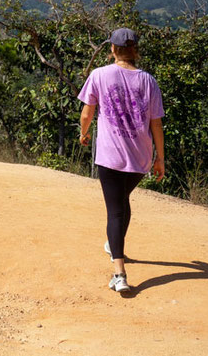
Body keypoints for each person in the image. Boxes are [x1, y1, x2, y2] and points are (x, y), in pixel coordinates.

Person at [78, 27, 165, 294]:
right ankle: (113, 244)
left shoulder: (99, 75)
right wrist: (160, 157)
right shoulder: (148, 81)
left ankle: (120, 273)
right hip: (140, 157)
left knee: (115, 210)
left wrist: (84, 133)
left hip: (111, 156)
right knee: (122, 203)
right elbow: (156, 123)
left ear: (113, 50)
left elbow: (86, 112)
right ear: (135, 51)